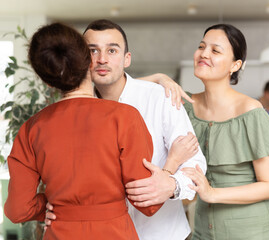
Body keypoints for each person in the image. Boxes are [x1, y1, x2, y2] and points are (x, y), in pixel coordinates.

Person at [45, 19, 207, 240]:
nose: (102, 59)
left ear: (126, 58)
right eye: (93, 51)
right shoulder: (72, 113)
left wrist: (171, 184)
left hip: (163, 234)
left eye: (112, 50)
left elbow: (195, 162)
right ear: (81, 59)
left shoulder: (160, 97)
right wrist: (49, 208)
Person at [4, 23, 163, 240]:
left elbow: (18, 210)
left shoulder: (31, 128)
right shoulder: (125, 117)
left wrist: (45, 205)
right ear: (89, 62)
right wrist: (171, 169)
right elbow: (148, 203)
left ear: (48, 81)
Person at [141, 24, 269, 240]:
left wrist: (212, 193)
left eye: (215, 50)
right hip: (203, 228)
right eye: (201, 46)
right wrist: (160, 78)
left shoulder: (251, 111)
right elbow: (125, 91)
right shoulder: (184, 105)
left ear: (235, 65)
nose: (204, 54)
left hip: (251, 231)